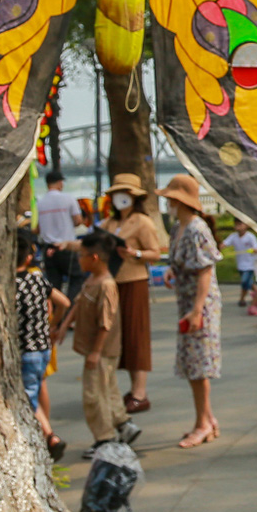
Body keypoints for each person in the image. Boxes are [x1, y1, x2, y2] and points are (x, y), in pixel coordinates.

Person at [161, 173, 222, 449]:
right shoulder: (178, 228)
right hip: (186, 302)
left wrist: (197, 310)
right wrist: (171, 270)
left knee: (198, 366)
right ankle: (207, 418)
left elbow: (206, 271)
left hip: (201, 305)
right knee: (191, 364)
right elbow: (182, 260)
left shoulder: (197, 229)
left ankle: (202, 423)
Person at [67, 229, 138, 456]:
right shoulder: (92, 280)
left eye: (82, 255)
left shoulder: (106, 285)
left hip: (102, 350)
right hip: (94, 349)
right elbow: (78, 303)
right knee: (107, 389)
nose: (79, 260)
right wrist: (61, 328)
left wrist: (95, 352)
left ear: (94, 258)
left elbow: (105, 323)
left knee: (93, 395)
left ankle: (105, 438)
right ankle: (124, 425)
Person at [103, 173, 167, 413]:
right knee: (117, 337)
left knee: (136, 335)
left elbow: (155, 253)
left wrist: (135, 254)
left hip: (134, 281)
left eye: (125, 193)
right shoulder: (110, 223)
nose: (120, 198)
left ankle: (140, 392)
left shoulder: (143, 222)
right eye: (117, 194)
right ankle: (129, 389)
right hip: (113, 282)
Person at [16, 234, 70, 462]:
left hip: (24, 348)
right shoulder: (36, 279)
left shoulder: (10, 285)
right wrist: (51, 324)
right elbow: (64, 302)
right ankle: (44, 428)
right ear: (29, 257)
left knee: (28, 397)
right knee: (39, 387)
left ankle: (49, 435)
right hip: (42, 346)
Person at [225, 219, 257, 316]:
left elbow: (256, 248)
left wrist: (254, 250)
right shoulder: (233, 237)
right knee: (248, 282)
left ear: (246, 225)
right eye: (236, 225)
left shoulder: (250, 237)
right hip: (241, 265)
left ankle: (242, 299)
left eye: (240, 224)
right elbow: (225, 243)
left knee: (244, 281)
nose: (238, 227)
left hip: (250, 264)